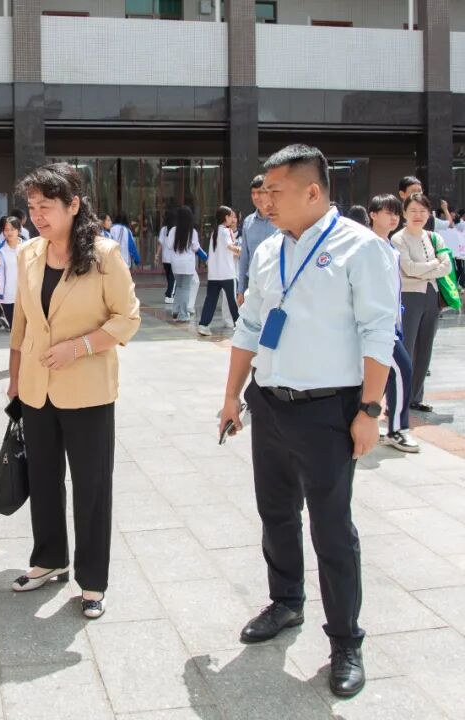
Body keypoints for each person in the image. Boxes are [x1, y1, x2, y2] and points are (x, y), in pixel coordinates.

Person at [219, 144, 397, 700]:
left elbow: (377, 332)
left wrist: (370, 410)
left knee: (331, 528)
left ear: (313, 191)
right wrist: (231, 397)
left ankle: (345, 641)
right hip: (270, 402)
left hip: (328, 409)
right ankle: (286, 602)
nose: (264, 201)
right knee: (275, 512)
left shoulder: (361, 248)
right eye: (263, 191)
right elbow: (250, 325)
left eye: (275, 191)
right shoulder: (270, 248)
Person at [6, 163, 141, 619]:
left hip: (88, 390)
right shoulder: (28, 253)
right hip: (36, 389)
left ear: (73, 205)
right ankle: (49, 558)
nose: (37, 215)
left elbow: (128, 319)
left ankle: (92, 580)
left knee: (91, 486)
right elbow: (21, 323)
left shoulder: (104, 255)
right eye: (31, 207)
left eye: (46, 206)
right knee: (43, 478)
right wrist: (14, 379)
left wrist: (79, 347)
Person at [368, 194, 419, 453]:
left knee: (387, 373)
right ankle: (397, 429)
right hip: (376, 324)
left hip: (391, 321)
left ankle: (376, 423)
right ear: (373, 214)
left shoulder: (390, 247)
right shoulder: (367, 246)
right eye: (388, 212)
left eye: (396, 213)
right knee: (402, 370)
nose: (394, 218)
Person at [391, 192, 451, 414]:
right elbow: (408, 268)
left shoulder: (434, 238)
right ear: (404, 213)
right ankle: (399, 398)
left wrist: (423, 270)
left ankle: (416, 397)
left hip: (431, 297)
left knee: (425, 349)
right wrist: (434, 265)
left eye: (422, 211)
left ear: (429, 213)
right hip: (409, 297)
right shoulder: (398, 239)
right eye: (413, 210)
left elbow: (447, 266)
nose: (418, 215)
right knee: (406, 349)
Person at [197, 206, 241, 335]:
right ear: (226, 217)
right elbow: (230, 246)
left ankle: (203, 324)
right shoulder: (225, 231)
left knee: (210, 299)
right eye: (231, 216)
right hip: (227, 273)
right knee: (232, 300)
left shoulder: (215, 232)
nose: (232, 219)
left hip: (214, 274)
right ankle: (239, 325)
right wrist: (241, 250)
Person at [237, 174, 276, 306]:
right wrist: (240, 290)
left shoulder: (280, 220)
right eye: (253, 193)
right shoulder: (248, 222)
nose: (255, 197)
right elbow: (244, 257)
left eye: (260, 192)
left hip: (275, 282)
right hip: (253, 285)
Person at [167, 206, 205, 323]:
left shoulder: (173, 230)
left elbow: (169, 245)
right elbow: (196, 248)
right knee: (185, 289)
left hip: (175, 264)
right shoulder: (192, 232)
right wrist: (206, 257)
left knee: (179, 287)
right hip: (187, 265)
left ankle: (175, 310)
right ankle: (183, 315)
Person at [0, 216, 22, 326]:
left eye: (12, 229)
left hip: (24, 294)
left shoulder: (26, 247)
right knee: (13, 327)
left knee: (25, 328)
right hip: (7, 295)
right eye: (6, 230)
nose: (9, 232)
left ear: (18, 230)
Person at [156, 209, 176, 305]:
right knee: (173, 277)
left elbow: (160, 244)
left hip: (165, 258)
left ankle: (169, 292)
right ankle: (169, 295)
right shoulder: (176, 229)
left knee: (169, 277)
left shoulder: (163, 229)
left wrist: (157, 255)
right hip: (173, 258)